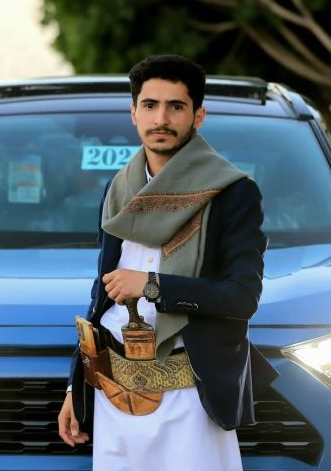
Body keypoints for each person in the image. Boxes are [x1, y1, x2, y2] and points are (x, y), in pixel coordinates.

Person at [58, 54, 278, 470]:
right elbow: (101, 298)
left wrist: (152, 285)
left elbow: (242, 297)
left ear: (198, 116)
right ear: (133, 113)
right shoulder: (117, 190)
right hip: (113, 395)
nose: (161, 119)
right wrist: (75, 387)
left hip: (190, 395)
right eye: (150, 105)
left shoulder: (233, 193)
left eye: (176, 106)